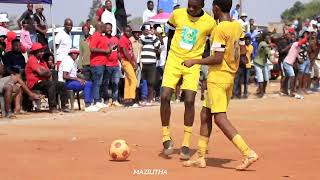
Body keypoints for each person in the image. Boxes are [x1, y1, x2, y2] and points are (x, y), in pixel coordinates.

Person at [182, 0, 258, 170]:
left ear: (216, 8)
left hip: (218, 77)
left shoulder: (219, 29)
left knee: (220, 118)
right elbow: (244, 53)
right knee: (205, 114)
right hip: (229, 77)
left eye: (212, 9)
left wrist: (194, 61)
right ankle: (200, 156)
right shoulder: (238, 26)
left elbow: (217, 58)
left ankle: (248, 152)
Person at [160, 0, 216, 160]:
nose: (191, 9)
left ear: (202, 6)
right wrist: (170, 58)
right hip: (173, 60)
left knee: (190, 100)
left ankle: (185, 142)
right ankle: (165, 137)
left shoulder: (209, 23)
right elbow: (170, 35)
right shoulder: (177, 14)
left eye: (195, 7)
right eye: (189, 5)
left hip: (193, 63)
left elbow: (211, 45)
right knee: (164, 96)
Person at [25, 43, 69, 113]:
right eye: (41, 51)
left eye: (42, 51)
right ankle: (53, 107)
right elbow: (41, 73)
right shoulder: (32, 59)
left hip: (43, 82)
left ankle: (64, 106)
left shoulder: (42, 61)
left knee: (62, 84)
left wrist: (44, 71)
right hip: (34, 84)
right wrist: (44, 72)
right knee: (51, 84)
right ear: (36, 52)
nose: (43, 53)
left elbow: (49, 73)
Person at [58, 48, 99, 112]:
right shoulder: (67, 61)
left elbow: (73, 74)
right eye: (74, 53)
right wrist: (78, 79)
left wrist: (80, 78)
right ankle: (87, 105)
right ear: (71, 54)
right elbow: (65, 76)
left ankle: (90, 103)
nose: (76, 55)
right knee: (88, 84)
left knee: (89, 82)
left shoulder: (72, 61)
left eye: (77, 54)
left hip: (71, 81)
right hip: (64, 83)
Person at [89, 22, 112, 109]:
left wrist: (109, 49)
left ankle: (99, 100)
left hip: (103, 63)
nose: (105, 28)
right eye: (104, 26)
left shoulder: (102, 36)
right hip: (97, 63)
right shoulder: (95, 35)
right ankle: (96, 100)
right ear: (100, 27)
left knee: (101, 83)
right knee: (97, 82)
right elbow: (92, 48)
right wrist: (105, 51)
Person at [140, 24, 160, 105]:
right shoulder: (142, 37)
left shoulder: (154, 38)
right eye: (146, 29)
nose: (148, 30)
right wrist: (146, 34)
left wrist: (153, 35)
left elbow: (157, 46)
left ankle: (150, 99)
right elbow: (140, 41)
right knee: (143, 81)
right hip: (143, 63)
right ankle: (143, 98)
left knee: (151, 82)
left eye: (150, 28)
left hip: (151, 63)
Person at [283, 33, 309, 99]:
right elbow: (302, 41)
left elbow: (296, 55)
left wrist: (299, 60)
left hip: (288, 63)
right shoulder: (296, 44)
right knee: (292, 76)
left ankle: (284, 90)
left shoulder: (298, 47)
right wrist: (306, 36)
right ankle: (291, 92)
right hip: (287, 63)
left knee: (287, 77)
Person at [103, 23, 122, 107]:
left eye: (110, 28)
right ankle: (106, 100)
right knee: (106, 84)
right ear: (105, 29)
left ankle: (115, 100)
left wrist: (121, 61)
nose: (109, 30)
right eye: (107, 28)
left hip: (115, 65)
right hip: (106, 65)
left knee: (116, 83)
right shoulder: (103, 39)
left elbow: (118, 52)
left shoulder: (115, 38)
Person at [119, 25, 138, 107]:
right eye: (127, 31)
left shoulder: (128, 40)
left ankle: (127, 99)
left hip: (129, 61)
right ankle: (131, 98)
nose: (129, 32)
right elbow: (125, 52)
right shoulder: (123, 39)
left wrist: (135, 61)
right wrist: (132, 62)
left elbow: (131, 52)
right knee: (134, 80)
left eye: (130, 31)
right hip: (126, 61)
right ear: (123, 30)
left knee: (128, 80)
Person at [253, 33, 272, 98]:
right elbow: (268, 52)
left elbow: (268, 53)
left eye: (269, 37)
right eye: (267, 37)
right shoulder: (262, 43)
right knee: (260, 78)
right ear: (264, 38)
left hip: (264, 63)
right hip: (258, 63)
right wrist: (270, 45)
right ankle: (261, 93)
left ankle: (263, 91)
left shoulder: (266, 45)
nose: (269, 38)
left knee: (266, 78)